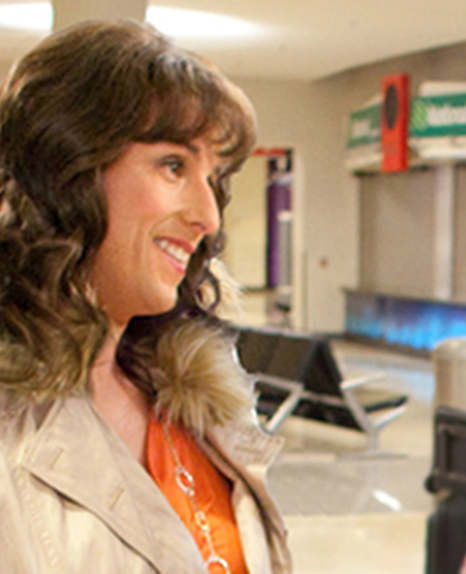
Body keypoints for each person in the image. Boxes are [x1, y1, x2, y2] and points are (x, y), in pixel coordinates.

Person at [0, 20, 291, 573]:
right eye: (173, 165)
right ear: (67, 175)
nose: (208, 217)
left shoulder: (193, 402)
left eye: (213, 179)